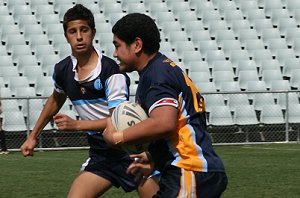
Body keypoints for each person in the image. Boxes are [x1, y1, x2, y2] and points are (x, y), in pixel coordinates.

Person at [20, 5, 158, 198]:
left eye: (84, 30)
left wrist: (77, 125)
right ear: (66, 35)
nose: (79, 37)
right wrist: (33, 136)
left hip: (130, 151)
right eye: (72, 31)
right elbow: (55, 100)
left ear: (93, 32)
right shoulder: (63, 70)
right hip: (100, 154)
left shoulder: (111, 71)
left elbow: (117, 121)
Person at [103, 13, 228, 198]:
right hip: (191, 169)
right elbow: (179, 126)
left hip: (189, 168)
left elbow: (164, 123)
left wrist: (118, 137)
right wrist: (153, 158)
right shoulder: (160, 69)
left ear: (137, 45)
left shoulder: (157, 75)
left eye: (117, 46)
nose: (114, 54)